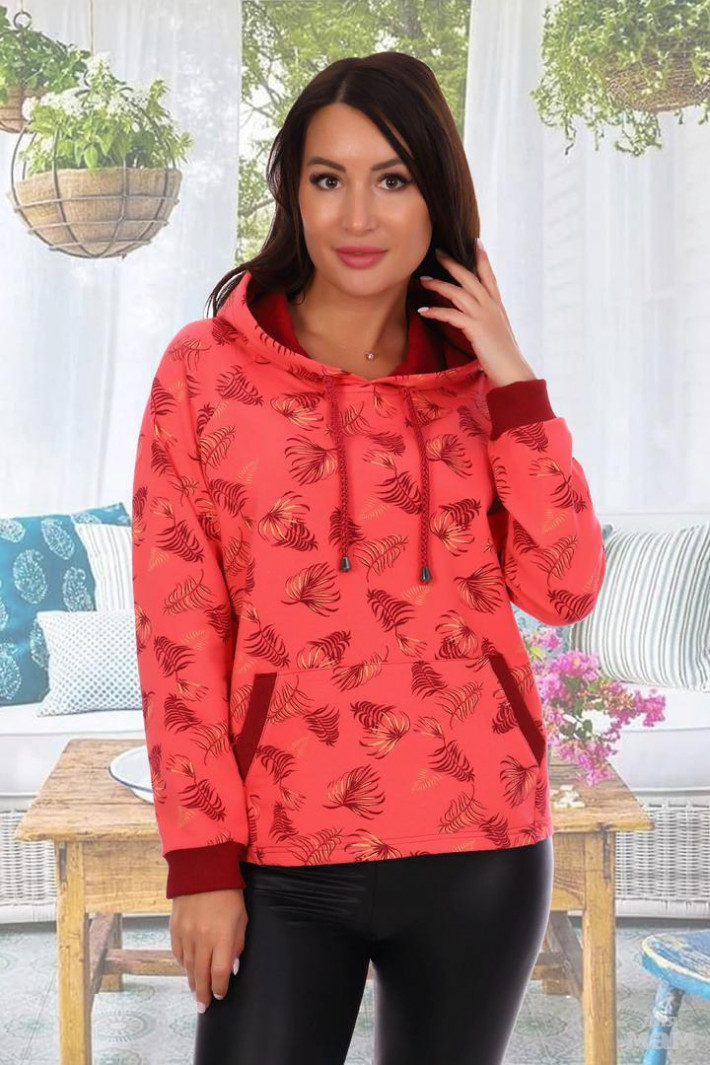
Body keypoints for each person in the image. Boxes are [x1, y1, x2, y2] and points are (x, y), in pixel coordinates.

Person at [131, 51, 606, 1065]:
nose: (357, 215)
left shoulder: (483, 387)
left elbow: (564, 588)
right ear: (292, 193)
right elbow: (178, 626)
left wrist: (513, 380)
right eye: (327, 178)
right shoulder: (204, 371)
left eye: (391, 179)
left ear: (437, 195)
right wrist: (201, 859)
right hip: (279, 850)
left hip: (479, 842)